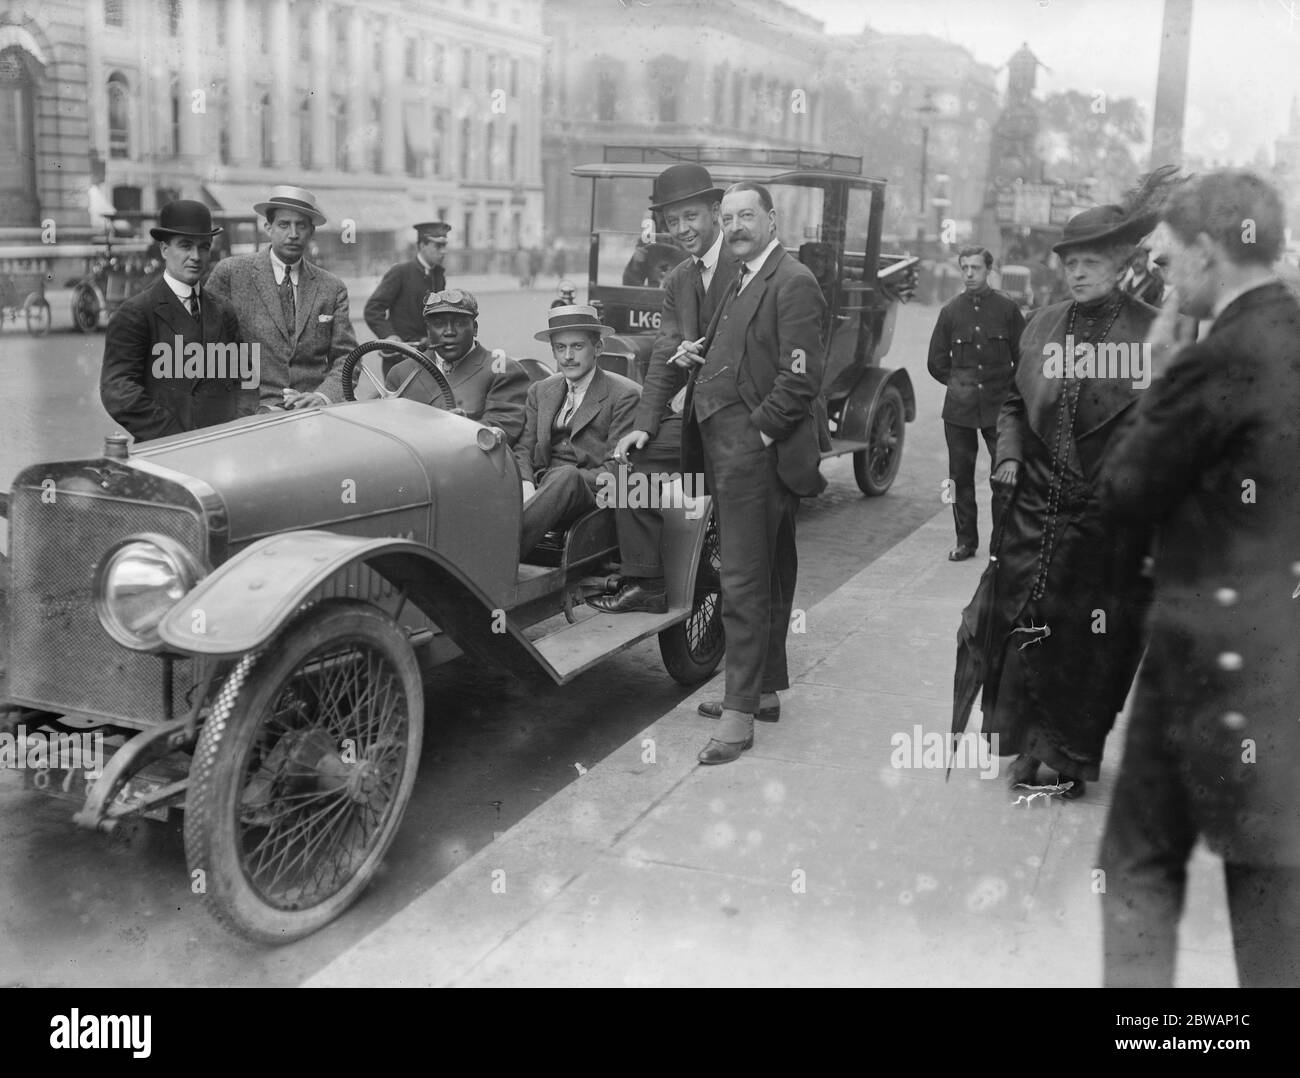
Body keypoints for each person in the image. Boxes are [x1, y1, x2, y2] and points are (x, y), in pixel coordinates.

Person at [1097, 170, 1300, 988]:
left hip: (1204, 658)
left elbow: (1124, 491)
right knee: (1271, 878)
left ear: (1212, 253)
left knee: (1139, 863)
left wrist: (1156, 375)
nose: (1170, 277)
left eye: (1176, 259)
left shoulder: (1215, 359)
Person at [978, 202, 1167, 799]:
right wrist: (1007, 456)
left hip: (1106, 516)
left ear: (1122, 264)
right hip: (1036, 507)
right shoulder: (1041, 323)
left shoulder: (1154, 333)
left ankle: (1067, 756)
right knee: (1027, 629)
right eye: (1071, 263)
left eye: (1092, 262)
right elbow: (1012, 401)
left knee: (1090, 640)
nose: (1078, 273)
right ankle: (1027, 747)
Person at [678, 181, 826, 765]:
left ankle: (738, 716)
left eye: (747, 215)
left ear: (772, 217)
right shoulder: (744, 277)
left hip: (754, 458)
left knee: (741, 581)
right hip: (732, 454)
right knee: (769, 570)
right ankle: (761, 691)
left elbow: (801, 377)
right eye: (729, 217)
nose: (736, 226)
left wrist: (756, 437)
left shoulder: (793, 281)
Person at [594, 162, 738, 615]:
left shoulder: (746, 266)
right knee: (623, 468)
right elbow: (663, 356)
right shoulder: (679, 278)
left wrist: (709, 361)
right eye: (673, 221)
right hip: (695, 418)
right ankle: (648, 579)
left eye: (691, 217)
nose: (682, 229)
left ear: (716, 211)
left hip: (742, 420)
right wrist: (643, 424)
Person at [100, 199, 246, 441]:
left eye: (204, 247)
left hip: (222, 447)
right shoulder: (136, 313)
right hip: (166, 448)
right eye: (185, 246)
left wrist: (237, 426)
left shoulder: (223, 310)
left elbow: (244, 378)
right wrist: (174, 436)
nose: (196, 256)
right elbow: (119, 390)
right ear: (164, 249)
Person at [206, 185, 357, 413]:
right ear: (268, 228)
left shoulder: (332, 288)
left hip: (313, 414)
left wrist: (323, 396)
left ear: (312, 231)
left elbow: (347, 356)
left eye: (301, 226)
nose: (293, 234)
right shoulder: (231, 273)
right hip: (250, 413)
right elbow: (205, 346)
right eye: (284, 225)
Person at [515, 305, 639, 558]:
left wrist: (559, 481)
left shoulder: (623, 395)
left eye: (578, 346)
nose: (568, 356)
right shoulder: (540, 390)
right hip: (540, 487)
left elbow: (616, 470)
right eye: (561, 348)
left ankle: (502, 555)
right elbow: (523, 449)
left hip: (591, 492)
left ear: (598, 348)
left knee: (566, 476)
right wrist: (527, 484)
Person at [927, 245, 1025, 561]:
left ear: (989, 270)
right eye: (964, 268)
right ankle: (965, 541)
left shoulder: (1008, 311)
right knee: (959, 479)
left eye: (976, 268)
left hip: (999, 410)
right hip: (959, 411)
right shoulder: (951, 312)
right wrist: (959, 385)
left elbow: (1022, 359)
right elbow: (936, 361)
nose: (969, 274)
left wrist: (1008, 394)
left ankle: (1001, 544)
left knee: (1004, 477)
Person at [384, 288, 530, 445]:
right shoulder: (401, 373)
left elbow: (500, 430)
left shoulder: (502, 369)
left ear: (474, 328)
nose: (449, 332)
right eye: (439, 324)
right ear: (428, 330)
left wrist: (463, 428)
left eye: (459, 323)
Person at [364, 221, 450, 377]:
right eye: (438, 246)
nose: (443, 251)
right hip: (400, 360)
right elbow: (373, 309)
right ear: (422, 245)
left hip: (428, 358)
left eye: (445, 246)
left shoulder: (438, 275)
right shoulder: (401, 272)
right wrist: (388, 336)